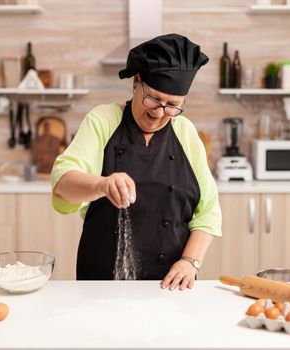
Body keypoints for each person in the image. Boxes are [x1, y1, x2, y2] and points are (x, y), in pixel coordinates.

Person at [51, 33, 222, 291]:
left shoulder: (186, 132)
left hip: (171, 287)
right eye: (152, 98)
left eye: (172, 105)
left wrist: (190, 261)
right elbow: (63, 184)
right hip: (102, 286)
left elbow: (208, 211)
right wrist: (101, 185)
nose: (158, 112)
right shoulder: (103, 120)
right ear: (136, 82)